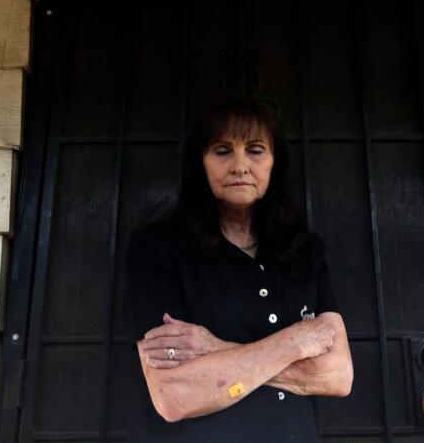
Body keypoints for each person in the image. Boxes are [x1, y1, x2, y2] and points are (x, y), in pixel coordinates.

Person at [124, 96, 354, 442]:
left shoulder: (305, 250)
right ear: (200, 163)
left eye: (256, 149)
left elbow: (338, 377)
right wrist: (298, 339)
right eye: (221, 150)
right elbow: (175, 396)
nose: (240, 165)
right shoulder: (158, 249)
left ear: (275, 161)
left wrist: (214, 347)